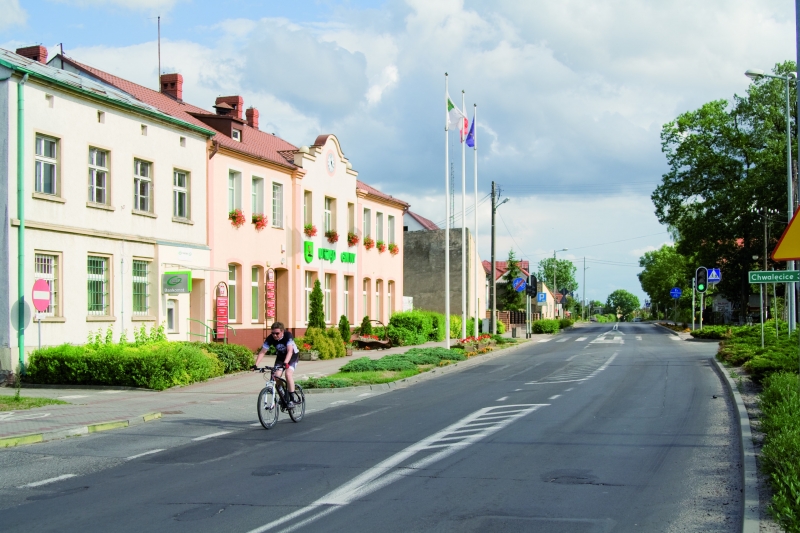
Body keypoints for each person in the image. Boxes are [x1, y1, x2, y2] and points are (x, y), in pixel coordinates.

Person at [254, 322, 300, 408]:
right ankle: (283, 394)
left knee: (288, 374)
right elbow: (263, 352)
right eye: (273, 333)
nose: (274, 335)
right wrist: (255, 365)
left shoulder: (288, 335)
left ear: (282, 331)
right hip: (280, 358)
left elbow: (290, 351)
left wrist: (286, 363)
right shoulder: (270, 338)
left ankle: (292, 399)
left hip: (292, 356)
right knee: (276, 376)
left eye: (277, 333)